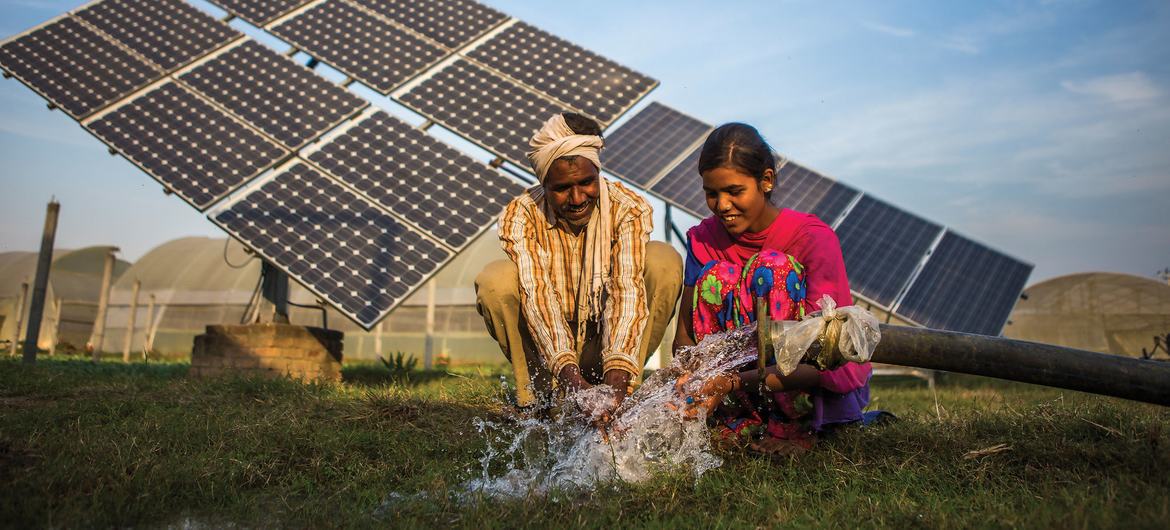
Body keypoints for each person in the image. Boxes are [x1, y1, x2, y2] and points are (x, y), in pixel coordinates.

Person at [672, 122, 872, 455]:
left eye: (734, 191)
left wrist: (733, 381)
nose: (721, 205)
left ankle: (793, 425)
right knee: (716, 276)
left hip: (809, 384)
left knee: (772, 269)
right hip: (731, 389)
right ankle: (732, 419)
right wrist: (689, 381)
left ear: (766, 180)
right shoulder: (703, 240)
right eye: (711, 193)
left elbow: (825, 354)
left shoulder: (812, 239)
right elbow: (685, 337)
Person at [475, 112, 683, 418]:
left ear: (597, 171)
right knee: (496, 280)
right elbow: (538, 298)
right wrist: (572, 382)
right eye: (561, 188)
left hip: (606, 338)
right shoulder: (522, 214)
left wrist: (615, 384)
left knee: (663, 261)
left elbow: (626, 292)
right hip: (547, 347)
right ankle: (539, 402)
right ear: (543, 182)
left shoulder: (628, 209)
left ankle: (623, 397)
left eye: (586, 182)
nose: (576, 197)